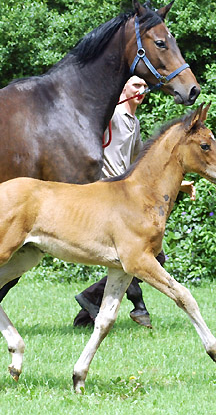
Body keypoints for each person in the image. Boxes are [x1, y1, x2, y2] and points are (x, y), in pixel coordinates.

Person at [73, 76, 196, 328]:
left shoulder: (134, 122)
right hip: (107, 195)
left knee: (149, 256)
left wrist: (179, 184)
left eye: (143, 87)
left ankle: (88, 309)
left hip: (126, 196)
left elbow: (138, 163)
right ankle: (121, 303)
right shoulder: (113, 116)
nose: (140, 90)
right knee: (150, 256)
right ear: (123, 89)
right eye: (135, 86)